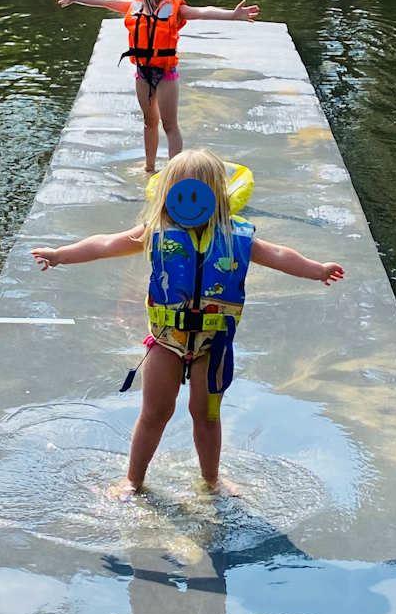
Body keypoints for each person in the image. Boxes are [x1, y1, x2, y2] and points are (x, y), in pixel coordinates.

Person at [32, 149, 344, 498]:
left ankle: (212, 479)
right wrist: (61, 255)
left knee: (206, 415)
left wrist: (316, 270)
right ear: (167, 194)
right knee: (154, 413)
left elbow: (279, 255)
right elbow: (105, 244)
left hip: (214, 345)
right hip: (166, 342)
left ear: (216, 197)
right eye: (179, 191)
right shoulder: (157, 232)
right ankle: (132, 479)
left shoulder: (236, 235)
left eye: (197, 192)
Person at [55, 0, 259, 172]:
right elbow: (105, 0)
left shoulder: (176, 9)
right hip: (142, 74)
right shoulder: (134, 7)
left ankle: (174, 172)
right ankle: (149, 167)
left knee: (170, 125)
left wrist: (233, 15)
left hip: (166, 75)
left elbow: (203, 11)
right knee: (149, 122)